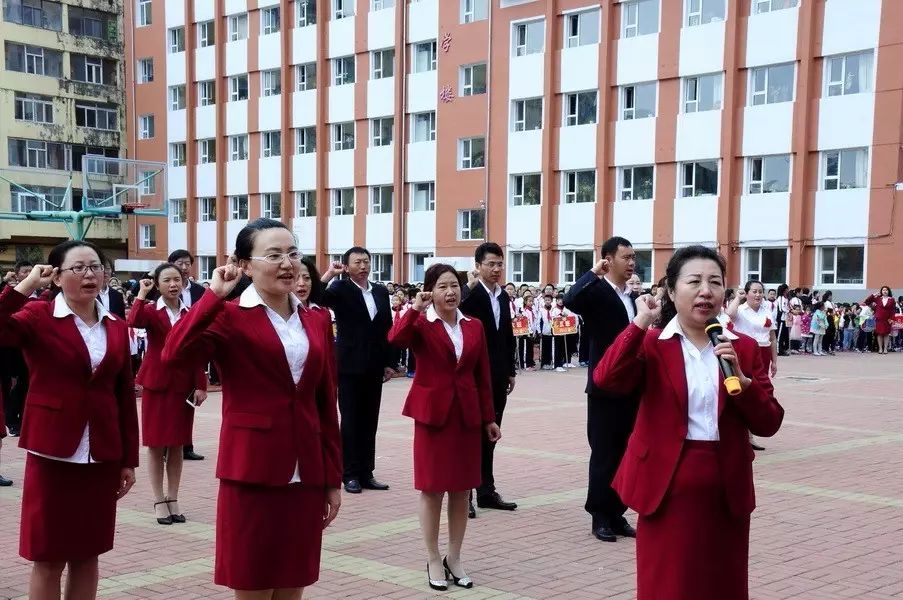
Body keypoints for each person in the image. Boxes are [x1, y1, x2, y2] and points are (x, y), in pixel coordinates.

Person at [162, 218, 342, 597]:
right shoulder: (228, 316)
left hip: (306, 470)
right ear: (244, 264)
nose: (287, 264)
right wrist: (213, 295)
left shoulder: (315, 318)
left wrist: (332, 478)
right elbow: (173, 354)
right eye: (273, 255)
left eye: (293, 253)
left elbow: (325, 401)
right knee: (253, 580)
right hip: (252, 468)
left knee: (294, 581)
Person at [593, 245, 784, 600]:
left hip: (726, 487)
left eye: (715, 282)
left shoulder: (739, 347)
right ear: (670, 290)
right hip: (665, 487)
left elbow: (770, 421)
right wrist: (639, 324)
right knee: (666, 585)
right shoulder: (652, 344)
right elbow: (606, 379)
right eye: (693, 281)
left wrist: (745, 388)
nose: (705, 291)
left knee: (721, 584)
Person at [0, 241, 139, 600]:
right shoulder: (38, 317)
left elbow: (123, 396)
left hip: (101, 455)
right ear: (57, 277)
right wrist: (25, 286)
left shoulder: (115, 325)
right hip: (53, 453)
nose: (90, 274)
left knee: (87, 553)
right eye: (78, 268)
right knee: (48, 556)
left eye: (96, 267)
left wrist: (128, 460)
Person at [389, 264, 502, 591]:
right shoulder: (422, 325)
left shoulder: (474, 326)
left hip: (466, 416)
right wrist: (415, 308)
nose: (450, 292)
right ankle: (432, 556)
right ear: (430, 291)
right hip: (433, 417)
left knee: (462, 488)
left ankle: (454, 556)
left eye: (454, 285)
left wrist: (489, 418)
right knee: (432, 487)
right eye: (442, 287)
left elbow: (481, 375)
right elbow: (395, 339)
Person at [563, 236, 639, 542]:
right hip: (604, 386)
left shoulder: (631, 297)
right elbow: (570, 300)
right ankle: (599, 516)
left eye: (634, 257)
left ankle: (618, 512)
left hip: (631, 386)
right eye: (626, 257)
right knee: (605, 453)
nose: (632, 262)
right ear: (608, 260)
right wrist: (593, 273)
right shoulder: (596, 291)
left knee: (626, 452)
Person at [128, 264, 208, 525]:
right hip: (157, 384)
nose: (173, 284)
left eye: (177, 279)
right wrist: (141, 294)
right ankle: (158, 499)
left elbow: (196, 351)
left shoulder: (190, 312)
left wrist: (201, 384)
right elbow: (134, 321)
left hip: (183, 385)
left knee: (177, 444)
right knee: (155, 445)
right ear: (158, 285)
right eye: (167, 280)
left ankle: (173, 497)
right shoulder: (151, 311)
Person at [320, 247, 394, 494]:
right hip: (349, 365)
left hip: (374, 365)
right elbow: (316, 298)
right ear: (348, 266)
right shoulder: (340, 289)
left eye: (366, 261)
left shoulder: (381, 291)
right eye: (357, 262)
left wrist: (389, 362)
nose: (363, 266)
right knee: (350, 420)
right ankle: (349, 473)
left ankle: (366, 472)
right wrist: (330, 274)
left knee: (369, 420)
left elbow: (387, 328)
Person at [461, 242, 518, 517]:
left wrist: (510, 370)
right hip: (472, 376)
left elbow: (507, 335)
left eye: (499, 264)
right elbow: (452, 307)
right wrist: (466, 287)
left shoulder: (503, 297)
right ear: (478, 266)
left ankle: (486, 490)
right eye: (491, 264)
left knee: (491, 434)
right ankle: (466, 495)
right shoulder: (469, 296)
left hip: (497, 376)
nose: (496, 269)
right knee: (471, 436)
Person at [166, 250, 208, 461]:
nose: (183, 268)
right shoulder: (162, 289)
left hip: (193, 347)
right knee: (168, 404)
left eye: (187, 264)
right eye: (179, 263)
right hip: (169, 349)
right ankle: (166, 445)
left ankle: (186, 445)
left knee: (189, 401)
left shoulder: (200, 291)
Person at [726, 281, 777, 452]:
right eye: (754, 291)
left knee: (761, 390)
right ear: (746, 293)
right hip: (745, 353)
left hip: (763, 353)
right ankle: (745, 434)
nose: (758, 295)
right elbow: (729, 314)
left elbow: (772, 337)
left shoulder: (767, 310)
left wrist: (775, 361)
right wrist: (737, 299)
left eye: (760, 291)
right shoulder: (740, 310)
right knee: (745, 389)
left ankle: (750, 432)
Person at [864, 287, 896, 355]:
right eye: (883, 290)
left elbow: (893, 310)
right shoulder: (878, 298)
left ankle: (885, 349)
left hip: (888, 319)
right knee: (879, 333)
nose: (885, 291)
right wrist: (873, 295)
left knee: (886, 334)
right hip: (879, 319)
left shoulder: (892, 299)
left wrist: (892, 319)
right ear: (881, 291)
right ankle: (880, 348)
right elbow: (867, 302)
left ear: (888, 291)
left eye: (886, 290)